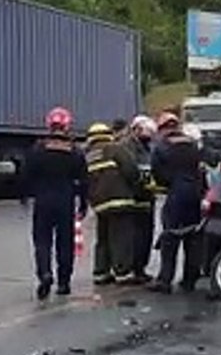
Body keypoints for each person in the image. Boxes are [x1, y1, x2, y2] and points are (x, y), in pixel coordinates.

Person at [19, 107, 89, 300]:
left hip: (43, 200)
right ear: (67, 126)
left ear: (49, 125)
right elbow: (84, 180)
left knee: (42, 241)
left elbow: (25, 174)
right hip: (65, 201)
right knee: (65, 243)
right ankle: (64, 282)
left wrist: (24, 195)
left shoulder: (38, 149)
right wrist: (83, 203)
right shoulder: (75, 151)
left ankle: (45, 273)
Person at [149, 112, 206, 293]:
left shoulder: (162, 146)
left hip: (176, 194)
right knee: (192, 237)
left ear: (163, 128)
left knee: (170, 236)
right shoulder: (192, 144)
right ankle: (190, 279)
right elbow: (201, 169)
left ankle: (165, 280)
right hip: (195, 194)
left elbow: (157, 173)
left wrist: (167, 185)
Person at [84, 121, 145, 286]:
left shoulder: (88, 155)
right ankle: (122, 272)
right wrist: (138, 186)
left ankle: (101, 272)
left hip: (99, 204)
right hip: (120, 200)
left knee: (103, 237)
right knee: (121, 237)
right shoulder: (115, 149)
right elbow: (131, 171)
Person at [126, 115, 159, 283]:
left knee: (146, 234)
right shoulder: (128, 147)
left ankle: (141, 268)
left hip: (148, 197)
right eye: (147, 132)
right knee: (136, 235)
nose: (150, 136)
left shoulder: (148, 148)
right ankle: (134, 268)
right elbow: (130, 171)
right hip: (134, 197)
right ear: (136, 129)